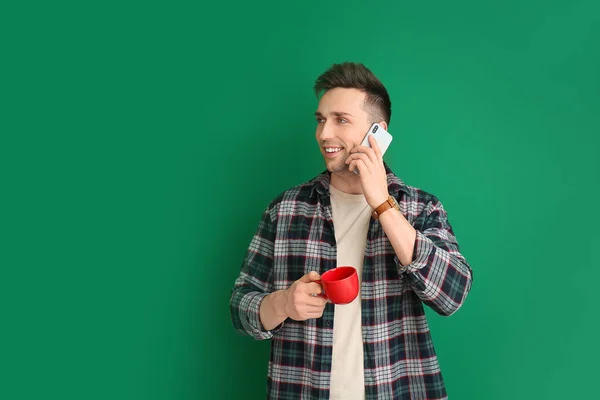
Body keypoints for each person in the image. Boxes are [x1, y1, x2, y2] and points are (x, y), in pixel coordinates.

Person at [230, 62, 473, 400]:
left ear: (378, 133)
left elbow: (452, 294)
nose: (324, 133)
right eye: (320, 120)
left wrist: (383, 204)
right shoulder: (284, 209)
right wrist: (283, 303)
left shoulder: (421, 208)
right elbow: (241, 306)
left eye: (341, 120)